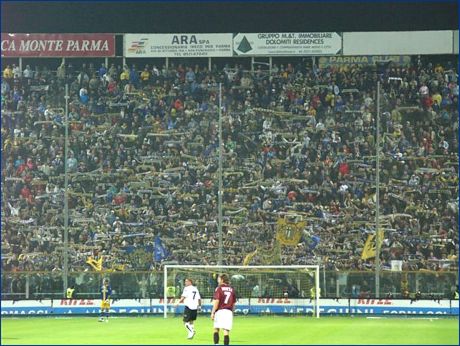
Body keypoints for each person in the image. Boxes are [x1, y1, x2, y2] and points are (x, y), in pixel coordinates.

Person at [211, 274, 236, 345]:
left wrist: (213, 312)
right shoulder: (232, 289)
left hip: (220, 311)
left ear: (222, 280)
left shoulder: (219, 288)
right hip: (228, 312)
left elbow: (217, 301)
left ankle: (216, 344)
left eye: (218, 279)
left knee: (216, 328)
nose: (217, 280)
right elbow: (234, 303)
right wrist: (232, 313)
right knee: (226, 331)